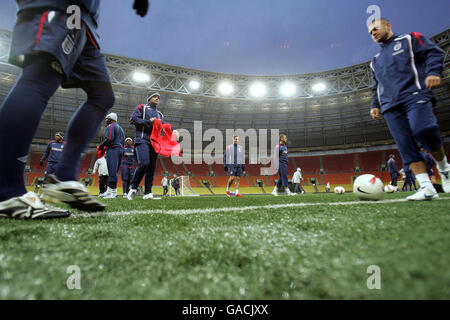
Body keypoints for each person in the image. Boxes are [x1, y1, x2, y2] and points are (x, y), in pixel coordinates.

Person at [0, 0, 150, 219]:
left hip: (84, 20)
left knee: (102, 95)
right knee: (41, 75)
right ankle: (6, 189)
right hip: (60, 4)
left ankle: (64, 176)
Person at [368, 18, 450, 200]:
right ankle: (427, 187)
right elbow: (376, 86)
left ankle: (444, 168)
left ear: (388, 25)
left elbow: (433, 53)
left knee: (424, 129)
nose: (373, 33)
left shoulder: (410, 39)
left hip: (415, 95)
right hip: (390, 106)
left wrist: (433, 72)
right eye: (370, 32)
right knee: (405, 145)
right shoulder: (375, 61)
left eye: (375, 28)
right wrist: (375, 104)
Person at [127, 92, 164, 200]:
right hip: (142, 139)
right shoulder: (141, 108)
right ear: (149, 98)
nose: (157, 98)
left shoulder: (160, 115)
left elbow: (162, 131)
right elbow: (133, 119)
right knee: (144, 163)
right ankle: (133, 188)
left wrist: (170, 133)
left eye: (159, 97)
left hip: (155, 143)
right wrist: (149, 121)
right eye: (155, 96)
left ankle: (148, 193)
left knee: (151, 168)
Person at [98, 112, 125, 198]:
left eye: (107, 119)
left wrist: (101, 146)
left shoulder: (111, 126)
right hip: (119, 149)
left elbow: (109, 138)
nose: (106, 121)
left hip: (113, 149)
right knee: (114, 171)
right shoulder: (121, 128)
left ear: (110, 119)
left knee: (112, 171)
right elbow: (123, 141)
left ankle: (113, 192)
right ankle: (109, 190)